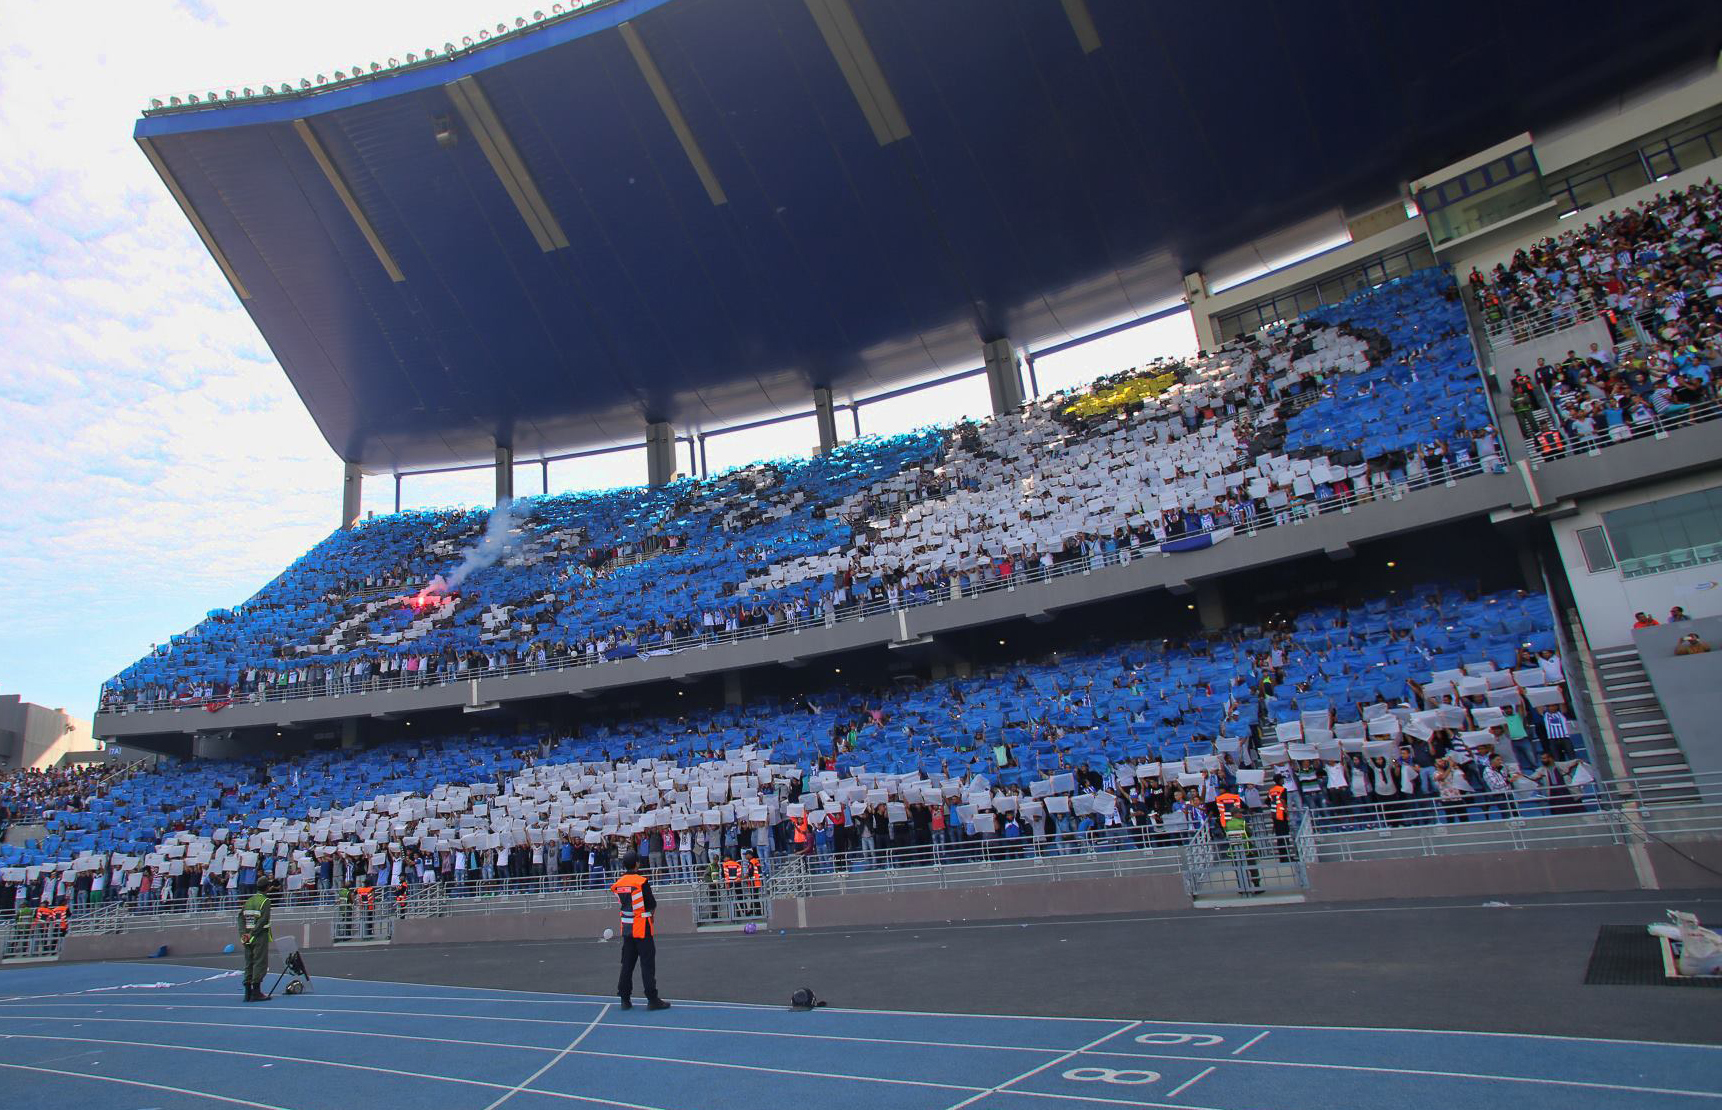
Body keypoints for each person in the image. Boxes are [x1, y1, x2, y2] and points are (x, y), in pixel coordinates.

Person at [610, 853, 670, 1011]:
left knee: (627, 964)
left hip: (627, 928)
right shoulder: (641, 881)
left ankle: (624, 998)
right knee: (647, 964)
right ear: (637, 864)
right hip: (642, 927)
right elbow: (651, 903)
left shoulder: (618, 883)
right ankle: (652, 998)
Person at [238, 877, 274, 1002]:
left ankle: (247, 993)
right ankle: (256, 992)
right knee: (259, 962)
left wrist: (244, 934)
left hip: (247, 937)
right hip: (259, 936)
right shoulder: (265, 901)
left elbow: (240, 918)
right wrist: (252, 934)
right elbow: (263, 920)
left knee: (249, 963)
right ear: (267, 887)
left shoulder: (249, 900)